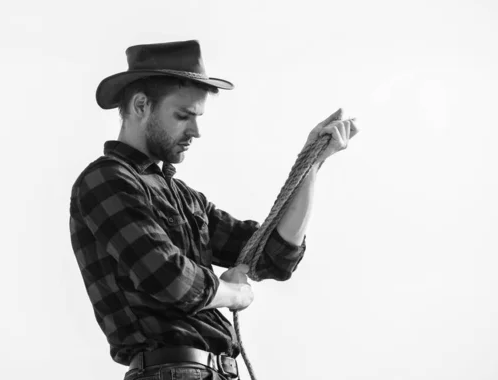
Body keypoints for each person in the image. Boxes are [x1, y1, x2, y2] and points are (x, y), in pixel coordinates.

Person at [69, 40, 358, 380]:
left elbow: (273, 255)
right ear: (141, 105)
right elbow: (167, 278)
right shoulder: (106, 180)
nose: (196, 131)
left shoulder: (186, 199)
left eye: (198, 117)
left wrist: (311, 165)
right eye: (183, 116)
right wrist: (232, 293)